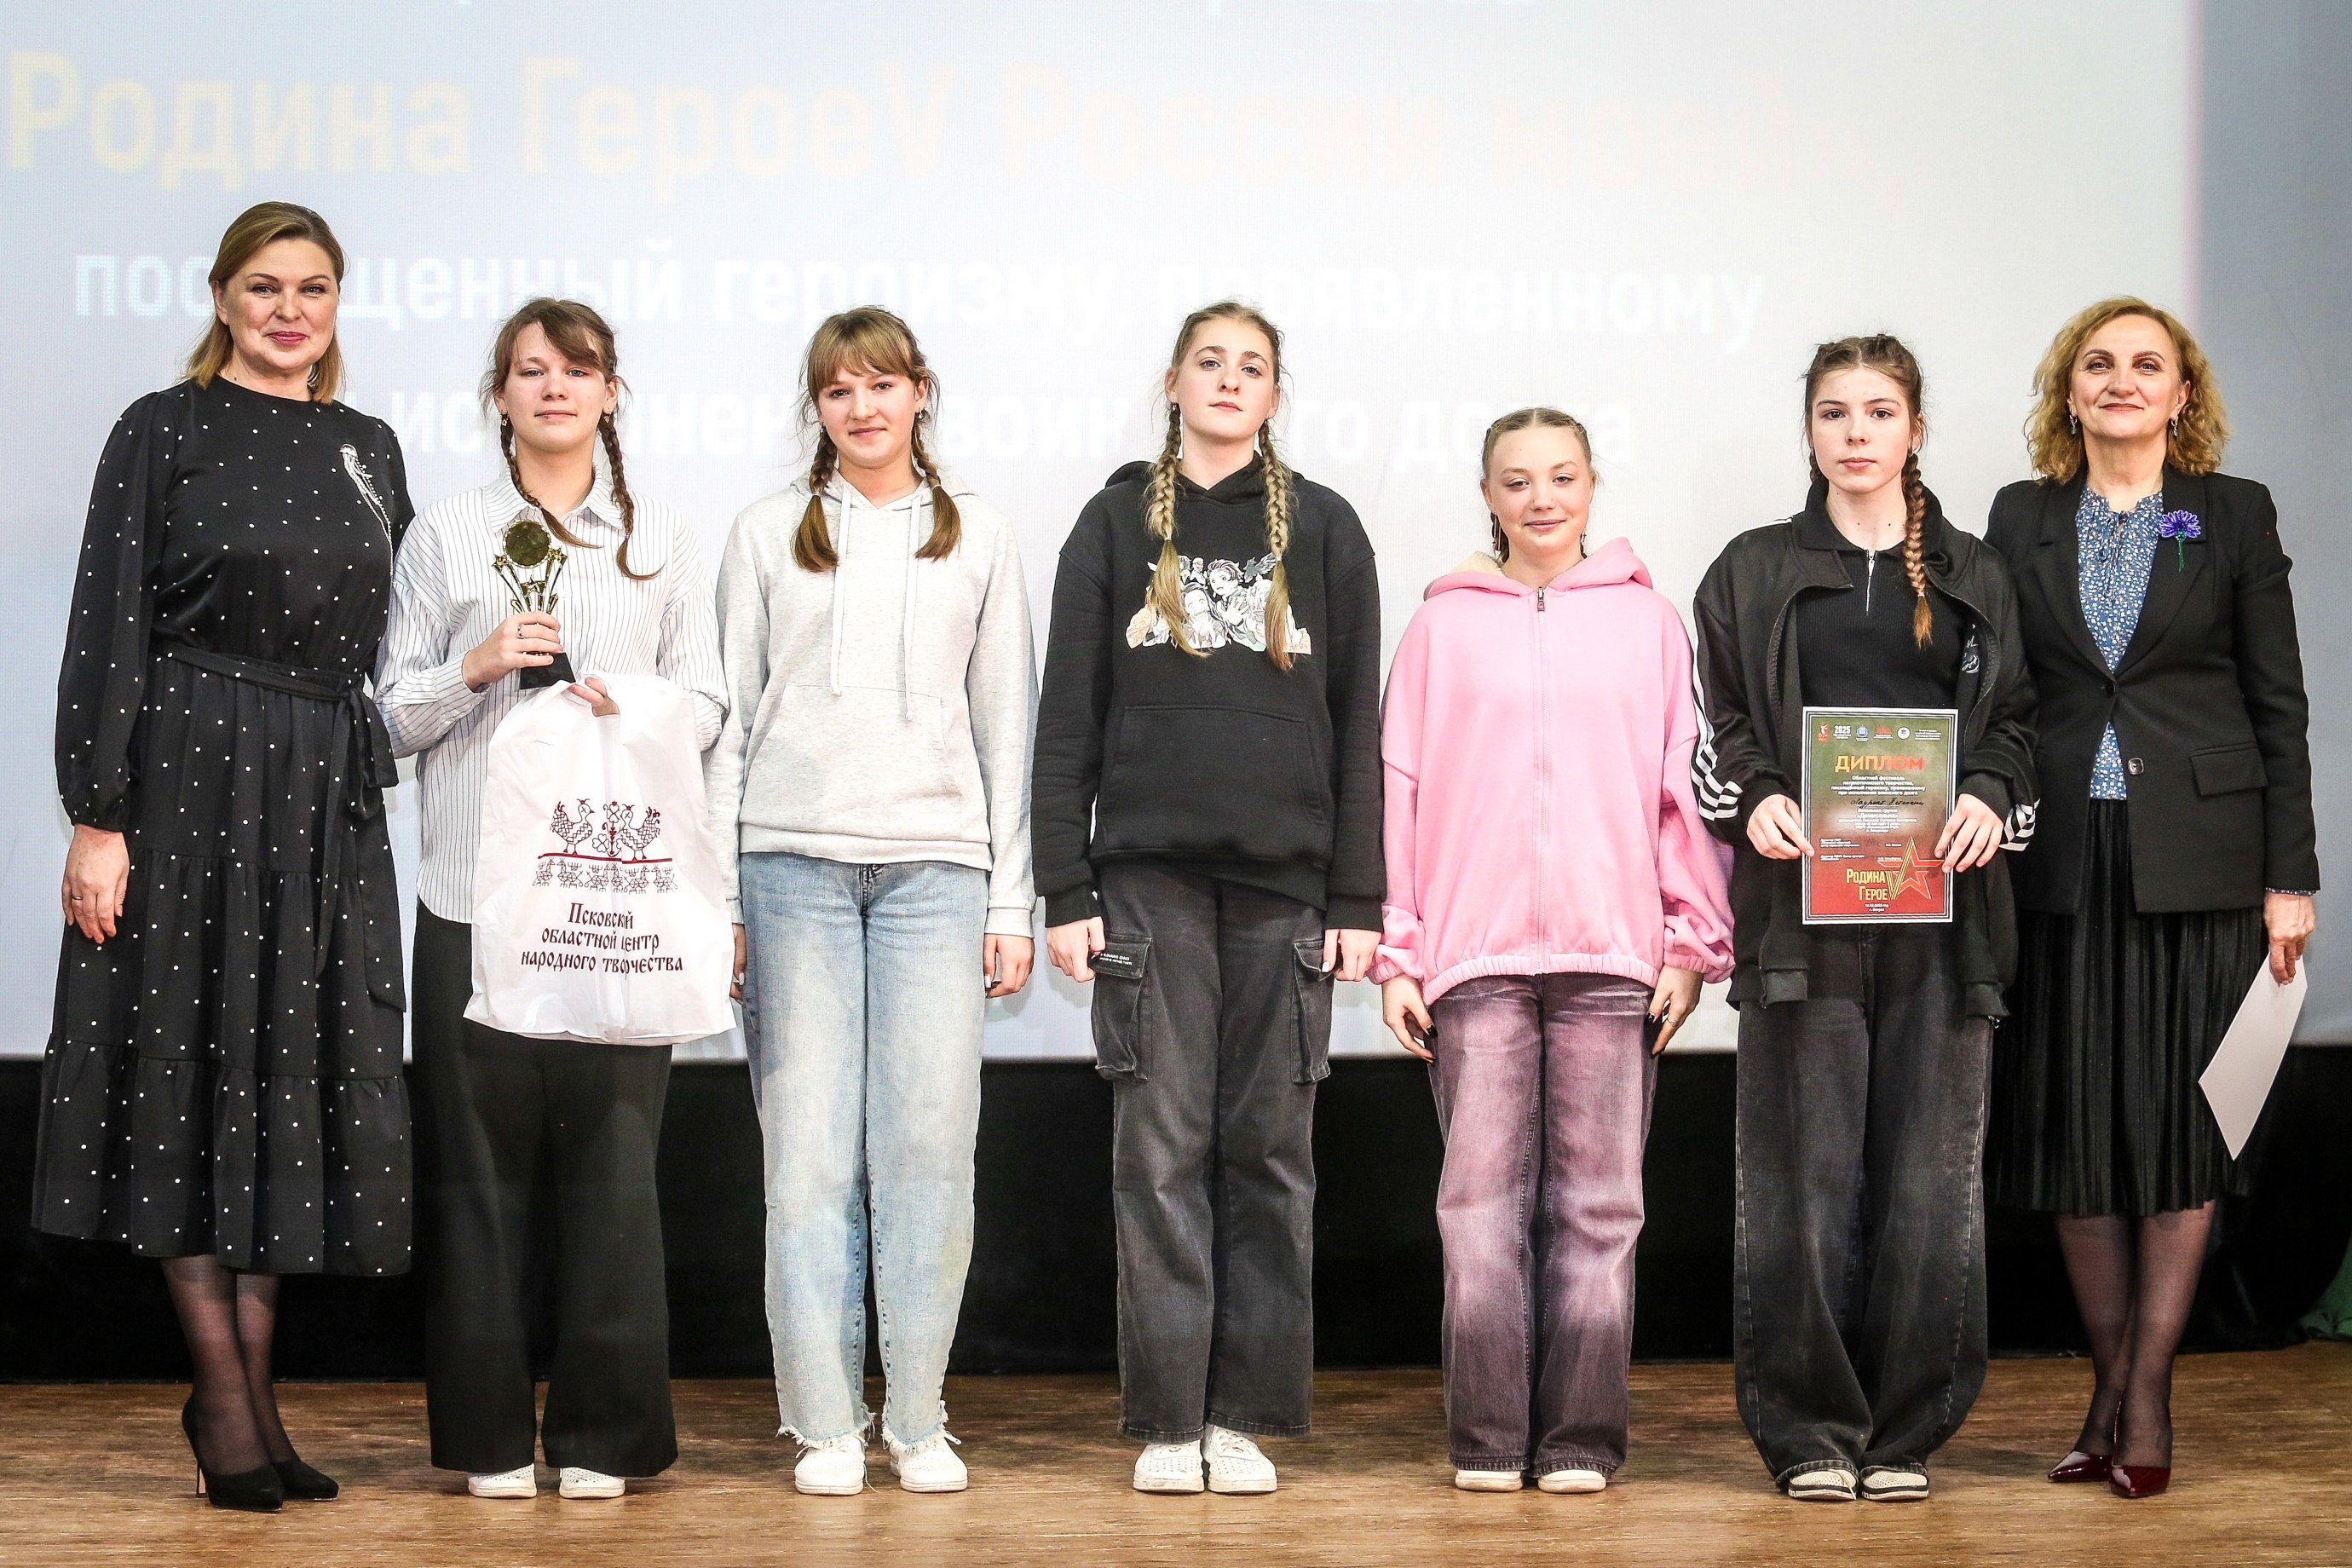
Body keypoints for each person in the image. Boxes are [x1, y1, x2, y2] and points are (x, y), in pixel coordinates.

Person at [32, 201, 412, 1512]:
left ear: (336, 303)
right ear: (220, 297)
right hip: (189, 776)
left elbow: (395, 639)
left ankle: (249, 1398)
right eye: (264, 286)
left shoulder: (369, 446)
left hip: (318, 795)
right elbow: (106, 619)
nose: (288, 310)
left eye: (312, 288)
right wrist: (98, 814)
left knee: (280, 1083)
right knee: (191, 1079)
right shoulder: (163, 427)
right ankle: (226, 1404)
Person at [1031, 301, 1383, 1496]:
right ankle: (1171, 1419)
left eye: (1253, 367)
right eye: (1211, 362)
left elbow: (1359, 722)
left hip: (1290, 894)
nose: (1231, 380)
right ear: (1174, 383)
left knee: (1270, 1156)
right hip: (1147, 884)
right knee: (1160, 1151)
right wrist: (1065, 883)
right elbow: (1067, 716)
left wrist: (1358, 896)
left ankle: (1246, 1416)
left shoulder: (1326, 528)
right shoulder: (1114, 521)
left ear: (1274, 396)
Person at [377, 297, 725, 1502]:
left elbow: (710, 705)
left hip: (614, 904)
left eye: (578, 369)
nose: (556, 387)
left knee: (616, 1179)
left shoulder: (661, 538)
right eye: (532, 370)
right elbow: (388, 718)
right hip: (471, 906)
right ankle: (485, 1440)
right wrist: (473, 668)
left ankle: (603, 1437)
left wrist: (640, 708)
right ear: (502, 396)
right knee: (475, 1186)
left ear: (611, 392)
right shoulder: (447, 533)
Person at [1692, 335, 2038, 1504]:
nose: (1856, 432)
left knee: (1929, 1180)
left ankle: (1902, 1434)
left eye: (1879, 411)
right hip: (1802, 921)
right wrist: (1757, 794)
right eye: (1834, 412)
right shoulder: (1751, 568)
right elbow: (1717, 722)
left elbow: (2016, 721)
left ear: (1915, 430)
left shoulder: (1979, 574)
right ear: (1808, 430)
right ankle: (1807, 1432)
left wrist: (1986, 790)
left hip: (1947, 918)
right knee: (1801, 1178)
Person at [1983, 297, 2317, 1500]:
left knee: (2181, 1135)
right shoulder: (2021, 516)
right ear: (2069, 392)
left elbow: (2278, 704)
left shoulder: (2232, 512)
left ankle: (2146, 1396)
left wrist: (2291, 878)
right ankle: (2110, 1386)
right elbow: (2004, 691)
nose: (2121, 380)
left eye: (2146, 364)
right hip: (2063, 865)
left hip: (2206, 866)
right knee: (2076, 1135)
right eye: (2098, 363)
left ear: (2182, 394)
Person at [1373, 408, 1734, 1496]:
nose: (1542, 499)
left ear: (1591, 486)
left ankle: (1579, 1438)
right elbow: (1398, 795)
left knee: (1600, 1210)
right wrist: (1399, 952)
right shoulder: (1438, 629)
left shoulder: (1650, 624)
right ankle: (1489, 1440)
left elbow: (1682, 792)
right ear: (1488, 495)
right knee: (1477, 1211)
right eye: (1518, 480)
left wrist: (1690, 939)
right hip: (1472, 960)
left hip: (1614, 961)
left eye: (1563, 476)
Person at [707, 307, 1035, 1496]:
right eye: (839, 390)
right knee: (805, 1161)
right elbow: (728, 724)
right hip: (787, 870)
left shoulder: (980, 535)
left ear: (919, 393)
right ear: (819, 408)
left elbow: (1007, 725)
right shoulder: (764, 534)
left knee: (928, 1156)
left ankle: (921, 1420)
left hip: (938, 876)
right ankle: (827, 1423)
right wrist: (720, 898)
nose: (863, 408)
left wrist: (1012, 901)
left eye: (882, 385)